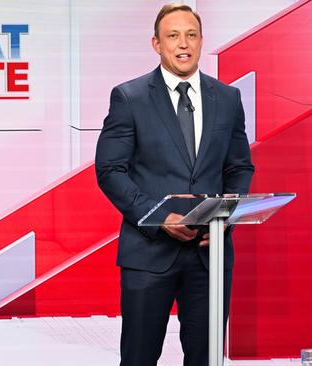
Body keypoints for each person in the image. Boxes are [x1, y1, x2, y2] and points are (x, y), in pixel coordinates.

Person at [95, 4, 254, 365]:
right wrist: (159, 217)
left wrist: (225, 216)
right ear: (156, 43)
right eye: (173, 36)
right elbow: (110, 170)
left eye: (191, 35)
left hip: (209, 256)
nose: (183, 44)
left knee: (206, 357)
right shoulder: (129, 97)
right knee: (139, 357)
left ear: (200, 42)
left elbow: (240, 167)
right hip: (148, 252)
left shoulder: (228, 99)